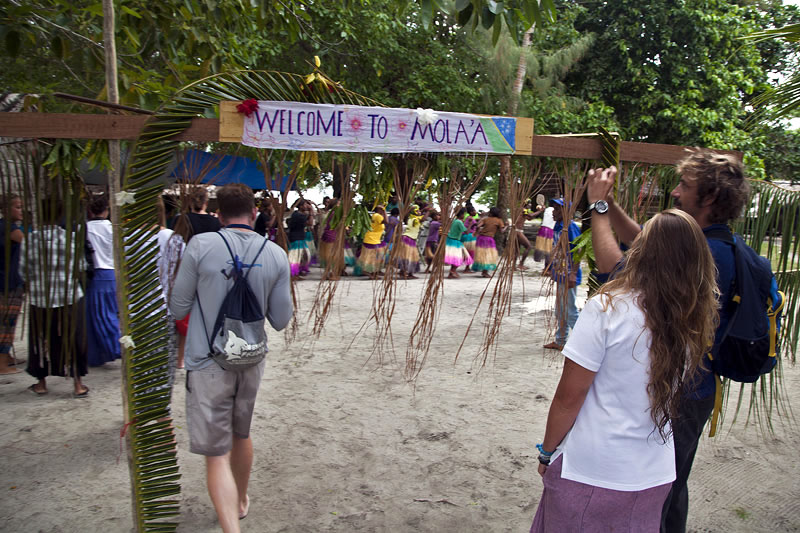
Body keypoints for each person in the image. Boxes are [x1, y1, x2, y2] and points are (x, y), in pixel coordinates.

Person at [586, 151, 750, 533]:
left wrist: (597, 207)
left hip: (679, 394)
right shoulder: (715, 243)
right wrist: (611, 204)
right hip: (695, 390)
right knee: (672, 486)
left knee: (655, 493)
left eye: (685, 186)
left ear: (709, 198)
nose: (675, 192)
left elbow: (615, 270)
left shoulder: (707, 253)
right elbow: (646, 242)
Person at [530, 209, 719, 532]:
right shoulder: (694, 319)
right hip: (655, 473)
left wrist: (547, 452)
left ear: (642, 251)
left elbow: (568, 397)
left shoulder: (608, 308)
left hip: (593, 469)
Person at [169, 183, 292, 533]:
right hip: (251, 359)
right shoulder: (275, 254)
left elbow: (178, 306)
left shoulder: (200, 245)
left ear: (219, 215)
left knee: (216, 454)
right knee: (241, 433)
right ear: (253, 213)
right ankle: (239, 501)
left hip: (207, 361)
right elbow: (281, 319)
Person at [21, 198, 89, 397]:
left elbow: (24, 272)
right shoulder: (71, 239)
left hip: (40, 299)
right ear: (61, 215)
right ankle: (78, 385)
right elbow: (81, 267)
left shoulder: (30, 240)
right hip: (68, 297)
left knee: (40, 340)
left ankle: (41, 383)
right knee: (73, 339)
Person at [84, 194, 122, 367]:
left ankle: (105, 351)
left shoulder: (85, 228)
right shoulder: (114, 228)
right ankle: (112, 348)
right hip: (112, 274)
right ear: (107, 210)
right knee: (110, 313)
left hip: (95, 275)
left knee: (95, 316)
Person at [542, 198, 582, 351]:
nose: (553, 211)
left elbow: (578, 250)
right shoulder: (559, 227)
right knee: (560, 310)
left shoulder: (570, 228)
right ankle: (560, 340)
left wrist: (573, 273)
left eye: (557, 209)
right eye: (553, 208)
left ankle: (584, 344)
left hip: (568, 273)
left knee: (570, 310)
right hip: (560, 272)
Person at [0, 194, 24, 374]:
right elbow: (29, 243)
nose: (21, 211)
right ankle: (1, 363)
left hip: (7, 279)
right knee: (7, 322)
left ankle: (6, 356)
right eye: (18, 207)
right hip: (9, 282)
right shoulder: (10, 229)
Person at [473, 206, 505, 278]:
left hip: (481, 238)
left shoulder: (486, 219)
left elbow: (478, 226)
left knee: (482, 254)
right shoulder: (499, 220)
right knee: (488, 255)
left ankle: (483, 270)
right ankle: (485, 272)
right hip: (489, 239)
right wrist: (507, 226)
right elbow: (502, 231)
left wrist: (478, 231)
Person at [358, 205, 387, 280]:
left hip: (373, 239)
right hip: (371, 240)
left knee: (376, 257)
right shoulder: (377, 216)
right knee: (373, 258)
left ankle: (374, 272)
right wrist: (384, 211)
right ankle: (368, 272)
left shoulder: (375, 216)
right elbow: (386, 221)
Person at [443, 207, 473, 279]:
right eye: (464, 214)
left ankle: (452, 272)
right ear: (461, 214)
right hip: (455, 242)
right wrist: (470, 224)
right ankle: (452, 271)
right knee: (460, 257)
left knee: (456, 257)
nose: (464, 216)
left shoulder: (454, 221)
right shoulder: (459, 222)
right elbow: (466, 232)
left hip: (450, 240)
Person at [286, 200, 311, 279]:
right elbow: (310, 223)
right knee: (295, 257)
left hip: (300, 237)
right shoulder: (298, 215)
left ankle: (298, 271)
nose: (306, 206)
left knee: (304, 255)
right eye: (305, 205)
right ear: (300, 206)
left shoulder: (298, 214)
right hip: (296, 238)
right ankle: (293, 274)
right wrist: (311, 211)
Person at [397, 206, 422, 279]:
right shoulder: (414, 219)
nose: (420, 212)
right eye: (418, 211)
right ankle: (404, 272)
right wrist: (429, 211)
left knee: (412, 257)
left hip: (411, 239)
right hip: (408, 239)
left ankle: (408, 273)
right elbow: (423, 219)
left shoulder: (413, 219)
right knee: (408, 257)